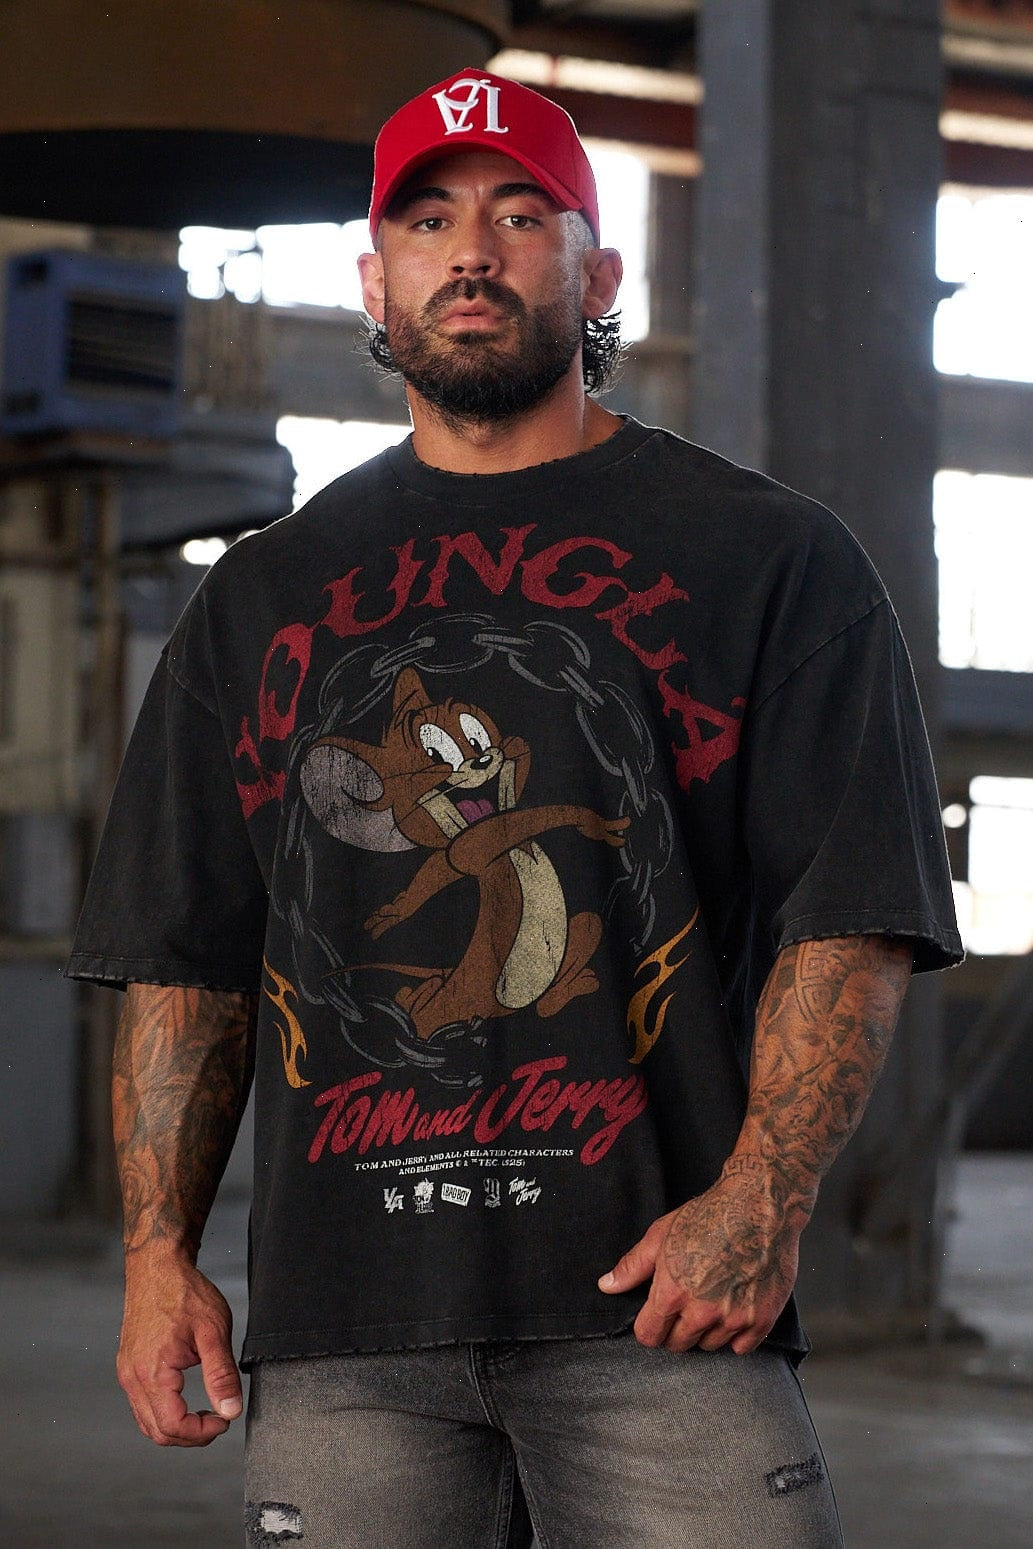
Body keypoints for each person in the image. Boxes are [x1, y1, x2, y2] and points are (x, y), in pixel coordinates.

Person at [68, 67, 963, 1548]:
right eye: (427, 221)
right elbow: (185, 953)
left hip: (661, 1306)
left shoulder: (768, 558)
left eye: (520, 215)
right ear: (375, 280)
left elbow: (851, 910)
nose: (470, 253)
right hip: (348, 1330)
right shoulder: (261, 597)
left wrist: (765, 1197)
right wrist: (156, 1254)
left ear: (597, 275)